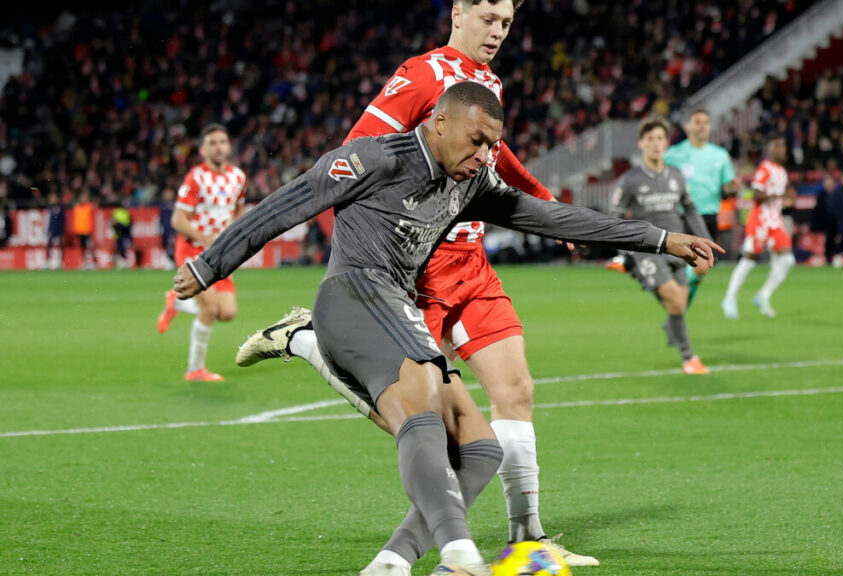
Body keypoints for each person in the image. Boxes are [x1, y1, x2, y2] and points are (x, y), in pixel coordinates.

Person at [172, 83, 722, 576]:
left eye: (492, 147)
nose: (484, 156)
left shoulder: (472, 183)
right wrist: (208, 265)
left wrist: (658, 238)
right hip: (353, 292)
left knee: (480, 448)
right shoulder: (374, 157)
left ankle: (392, 561)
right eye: (477, 140)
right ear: (438, 121)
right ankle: (461, 553)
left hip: (395, 308)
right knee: (424, 399)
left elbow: (553, 218)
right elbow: (284, 206)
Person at [235, 0, 598, 567]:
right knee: (417, 418)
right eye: (488, 19)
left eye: (506, 22)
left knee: (517, 390)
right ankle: (307, 341)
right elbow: (355, 158)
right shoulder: (421, 75)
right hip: (415, 271)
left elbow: (500, 159)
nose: (497, 31)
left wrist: (548, 206)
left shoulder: (487, 83)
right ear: (458, 12)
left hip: (471, 264)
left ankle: (526, 538)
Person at [613, 117, 712, 375]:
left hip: (677, 248)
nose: (655, 144)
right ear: (641, 144)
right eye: (650, 139)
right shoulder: (630, 179)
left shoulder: (676, 176)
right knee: (676, 301)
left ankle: (672, 327)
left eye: (660, 139)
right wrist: (624, 251)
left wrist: (703, 241)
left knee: (677, 304)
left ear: (666, 143)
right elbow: (615, 216)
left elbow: (690, 209)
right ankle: (689, 358)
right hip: (645, 249)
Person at [157, 123, 247, 382]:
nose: (218, 147)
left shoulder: (238, 177)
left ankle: (176, 300)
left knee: (227, 313)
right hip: (193, 249)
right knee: (209, 309)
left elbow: (238, 210)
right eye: (213, 143)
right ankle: (195, 369)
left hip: (220, 252)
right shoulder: (195, 178)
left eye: (222, 142)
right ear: (203, 149)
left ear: (228, 146)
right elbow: (177, 219)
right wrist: (205, 237)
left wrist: (231, 238)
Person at [663, 109, 740, 300]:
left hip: (708, 217)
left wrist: (733, 187)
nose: (702, 125)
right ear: (688, 127)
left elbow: (729, 188)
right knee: (681, 262)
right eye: (697, 121)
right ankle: (676, 302)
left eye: (706, 122)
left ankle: (680, 300)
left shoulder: (720, 155)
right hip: (680, 216)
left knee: (702, 267)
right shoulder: (673, 154)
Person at [721, 135, 797, 319]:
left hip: (775, 219)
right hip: (761, 218)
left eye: (783, 147)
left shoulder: (782, 172)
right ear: (770, 150)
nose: (782, 151)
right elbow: (756, 194)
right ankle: (729, 298)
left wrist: (786, 198)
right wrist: (779, 195)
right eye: (777, 147)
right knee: (750, 258)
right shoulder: (765, 167)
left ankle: (763, 296)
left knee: (788, 260)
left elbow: (778, 196)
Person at [68, 191, 96, 269]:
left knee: (89, 247)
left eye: (85, 198)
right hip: (80, 231)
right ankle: (84, 262)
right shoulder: (77, 207)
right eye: (82, 198)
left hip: (88, 231)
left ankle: (92, 262)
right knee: (82, 248)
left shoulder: (90, 207)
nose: (83, 199)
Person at [45, 192, 66, 269]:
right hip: (52, 229)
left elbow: (63, 220)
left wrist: (63, 229)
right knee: (49, 245)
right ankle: (48, 261)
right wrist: (48, 229)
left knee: (61, 245)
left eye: (53, 197)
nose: (52, 199)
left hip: (59, 229)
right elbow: (49, 220)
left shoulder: (61, 207)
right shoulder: (50, 208)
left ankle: (60, 261)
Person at [158, 187, 177, 268]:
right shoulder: (163, 205)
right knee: (165, 245)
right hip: (165, 230)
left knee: (172, 245)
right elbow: (161, 219)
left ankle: (173, 261)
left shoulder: (174, 205)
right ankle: (168, 261)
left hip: (172, 230)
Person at [112, 199, 133, 269]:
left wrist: (119, 225)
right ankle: (122, 262)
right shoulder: (116, 212)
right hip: (119, 234)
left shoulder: (126, 212)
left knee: (124, 248)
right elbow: (113, 222)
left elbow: (129, 224)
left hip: (124, 233)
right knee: (120, 248)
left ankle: (124, 262)